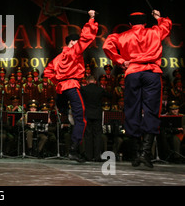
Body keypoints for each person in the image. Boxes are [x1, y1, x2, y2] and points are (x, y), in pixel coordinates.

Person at [103, 10, 172, 168]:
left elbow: (107, 45)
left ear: (129, 24)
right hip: (151, 73)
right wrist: (159, 17)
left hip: (133, 73)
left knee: (132, 110)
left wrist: (120, 60)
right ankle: (145, 153)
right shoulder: (154, 31)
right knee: (152, 110)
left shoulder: (122, 36)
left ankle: (136, 154)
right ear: (145, 23)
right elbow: (167, 25)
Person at [43, 10, 98, 162]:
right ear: (73, 42)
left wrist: (58, 81)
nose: (78, 43)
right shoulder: (74, 52)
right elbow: (87, 38)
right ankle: (73, 149)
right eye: (77, 41)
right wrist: (91, 19)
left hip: (61, 89)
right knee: (81, 118)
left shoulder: (57, 58)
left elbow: (47, 72)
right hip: (72, 86)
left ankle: (64, 113)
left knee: (67, 114)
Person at [81, 75, 106, 162]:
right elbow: (109, 96)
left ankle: (88, 156)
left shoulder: (83, 89)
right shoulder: (100, 89)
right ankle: (97, 156)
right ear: (95, 81)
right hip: (97, 115)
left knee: (88, 135)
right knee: (97, 136)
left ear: (87, 81)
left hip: (87, 114)